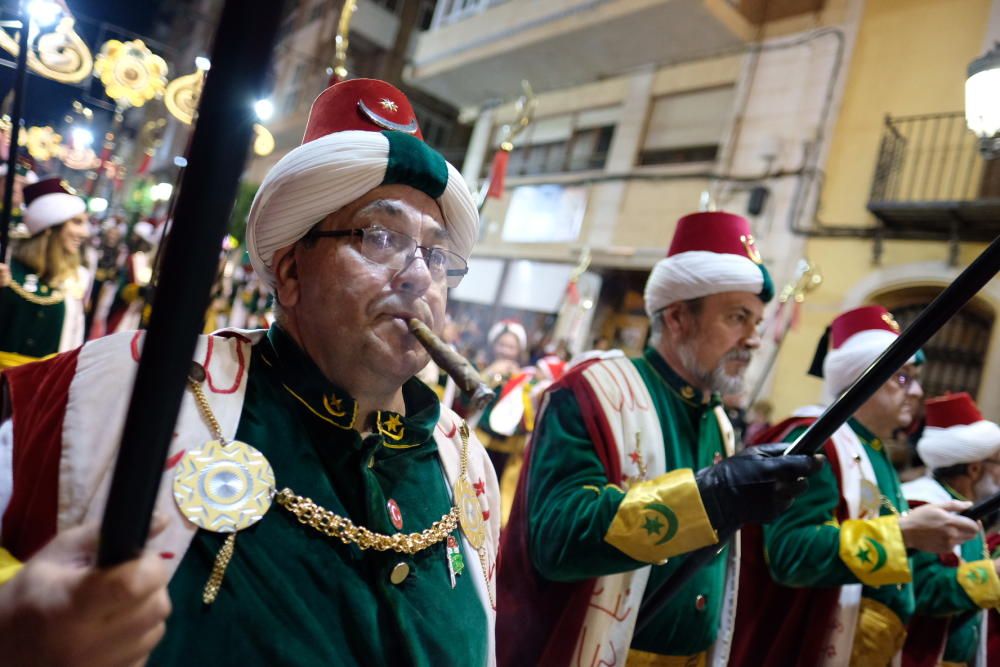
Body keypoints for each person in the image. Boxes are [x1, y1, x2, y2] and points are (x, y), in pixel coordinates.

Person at [0, 78, 499, 666]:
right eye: (381, 236)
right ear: (289, 272)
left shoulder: (466, 468)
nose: (419, 276)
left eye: (437, 255)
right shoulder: (124, 390)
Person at [496, 211, 822, 666]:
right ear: (677, 318)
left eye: (757, 323)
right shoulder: (592, 392)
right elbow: (557, 538)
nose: (753, 340)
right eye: (738, 318)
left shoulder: (718, 421)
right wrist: (712, 496)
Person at [731, 305, 981, 667]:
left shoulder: (872, 450)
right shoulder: (818, 440)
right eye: (903, 377)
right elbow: (790, 552)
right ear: (862, 378)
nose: (917, 391)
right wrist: (903, 534)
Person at [901, 392, 1000, 667]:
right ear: (974, 469)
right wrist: (994, 573)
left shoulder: (969, 512)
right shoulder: (924, 504)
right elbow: (922, 590)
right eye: (999, 463)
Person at [0, 178, 91, 370]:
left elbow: (73, 344)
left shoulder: (78, 278)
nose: (85, 232)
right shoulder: (5, 262)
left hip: (40, 393)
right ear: (50, 227)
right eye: (77, 222)